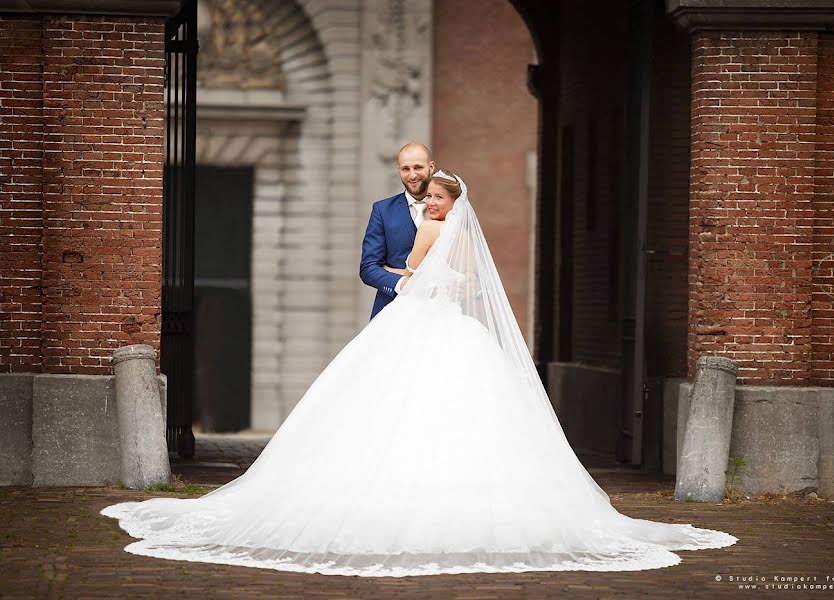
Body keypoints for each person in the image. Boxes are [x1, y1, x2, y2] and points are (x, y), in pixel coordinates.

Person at [101, 171, 738, 577]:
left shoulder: (432, 232)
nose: (426, 201)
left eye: (434, 196)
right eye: (425, 194)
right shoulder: (460, 236)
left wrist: (408, 279)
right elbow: (458, 286)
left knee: (389, 409)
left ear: (448, 203)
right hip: (456, 329)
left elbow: (413, 282)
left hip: (417, 323)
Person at [359, 142, 434, 320]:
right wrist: (402, 283)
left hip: (439, 313)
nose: (412, 175)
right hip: (393, 314)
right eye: (405, 169)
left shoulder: (451, 210)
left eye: (418, 167)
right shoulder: (382, 210)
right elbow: (368, 267)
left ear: (431, 167)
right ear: (398, 170)